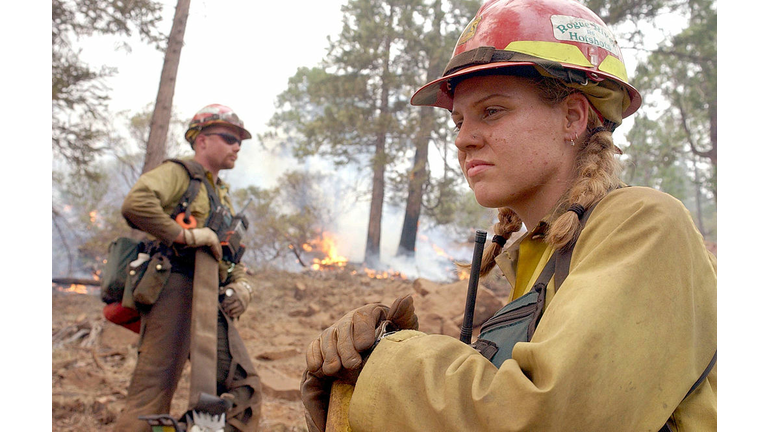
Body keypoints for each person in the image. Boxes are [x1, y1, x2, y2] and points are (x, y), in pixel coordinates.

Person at [300, 0, 717, 431]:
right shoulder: (545, 252)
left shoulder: (644, 223)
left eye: (492, 111)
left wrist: (389, 362)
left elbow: (545, 416)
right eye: (458, 121)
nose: (463, 139)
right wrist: (361, 370)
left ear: (572, 117)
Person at [114, 104, 262, 432]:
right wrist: (186, 234)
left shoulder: (221, 195)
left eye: (240, 140)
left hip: (212, 298)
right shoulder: (179, 173)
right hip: (174, 289)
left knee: (244, 388)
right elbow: (136, 203)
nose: (237, 145)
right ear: (202, 140)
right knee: (151, 396)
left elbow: (229, 254)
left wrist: (242, 286)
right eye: (228, 137)